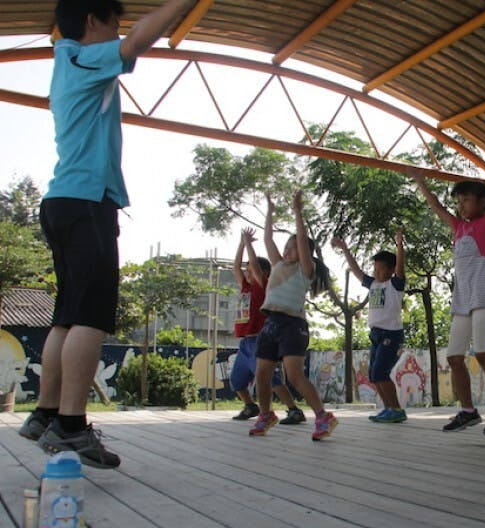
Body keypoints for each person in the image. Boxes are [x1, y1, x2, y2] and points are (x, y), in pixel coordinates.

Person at [18, 0, 197, 470]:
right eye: (112, 23)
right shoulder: (79, 54)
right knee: (92, 318)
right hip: (85, 201)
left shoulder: (68, 61)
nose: (118, 33)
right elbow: (137, 41)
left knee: (67, 318)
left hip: (64, 201)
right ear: (93, 21)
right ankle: (72, 427)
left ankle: (47, 412)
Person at [408, 126, 485, 436]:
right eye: (459, 202)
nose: (461, 206)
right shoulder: (458, 227)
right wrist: (420, 182)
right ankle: (468, 410)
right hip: (462, 297)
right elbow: (437, 208)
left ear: (482, 203)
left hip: (483, 292)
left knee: (483, 352)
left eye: (467, 200)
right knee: (455, 356)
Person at [249, 191, 337, 441]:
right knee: (262, 374)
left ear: (304, 252)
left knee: (294, 375)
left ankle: (322, 416)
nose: (287, 250)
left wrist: (298, 211)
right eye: (286, 246)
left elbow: (301, 243)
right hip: (271, 323)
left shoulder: (304, 270)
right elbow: (267, 239)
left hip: (293, 324)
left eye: (293, 247)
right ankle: (265, 415)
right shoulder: (277, 264)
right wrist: (270, 211)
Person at [230, 227, 305, 425]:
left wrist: (248, 244)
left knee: (271, 380)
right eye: (246, 272)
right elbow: (235, 267)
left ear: (263, 273)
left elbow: (253, 264)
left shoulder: (263, 285)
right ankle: (250, 405)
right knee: (236, 381)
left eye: (250, 272)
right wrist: (240, 243)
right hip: (245, 343)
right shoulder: (245, 287)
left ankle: (294, 409)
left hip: (258, 340)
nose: (246, 274)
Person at [331, 232, 407, 424]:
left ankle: (397, 409)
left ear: (390, 270)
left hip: (391, 334)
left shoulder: (395, 285)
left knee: (381, 372)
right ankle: (388, 408)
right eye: (375, 269)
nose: (376, 272)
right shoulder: (372, 284)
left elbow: (401, 268)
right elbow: (356, 270)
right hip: (375, 334)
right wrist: (345, 249)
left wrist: (399, 246)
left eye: (381, 269)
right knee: (374, 374)